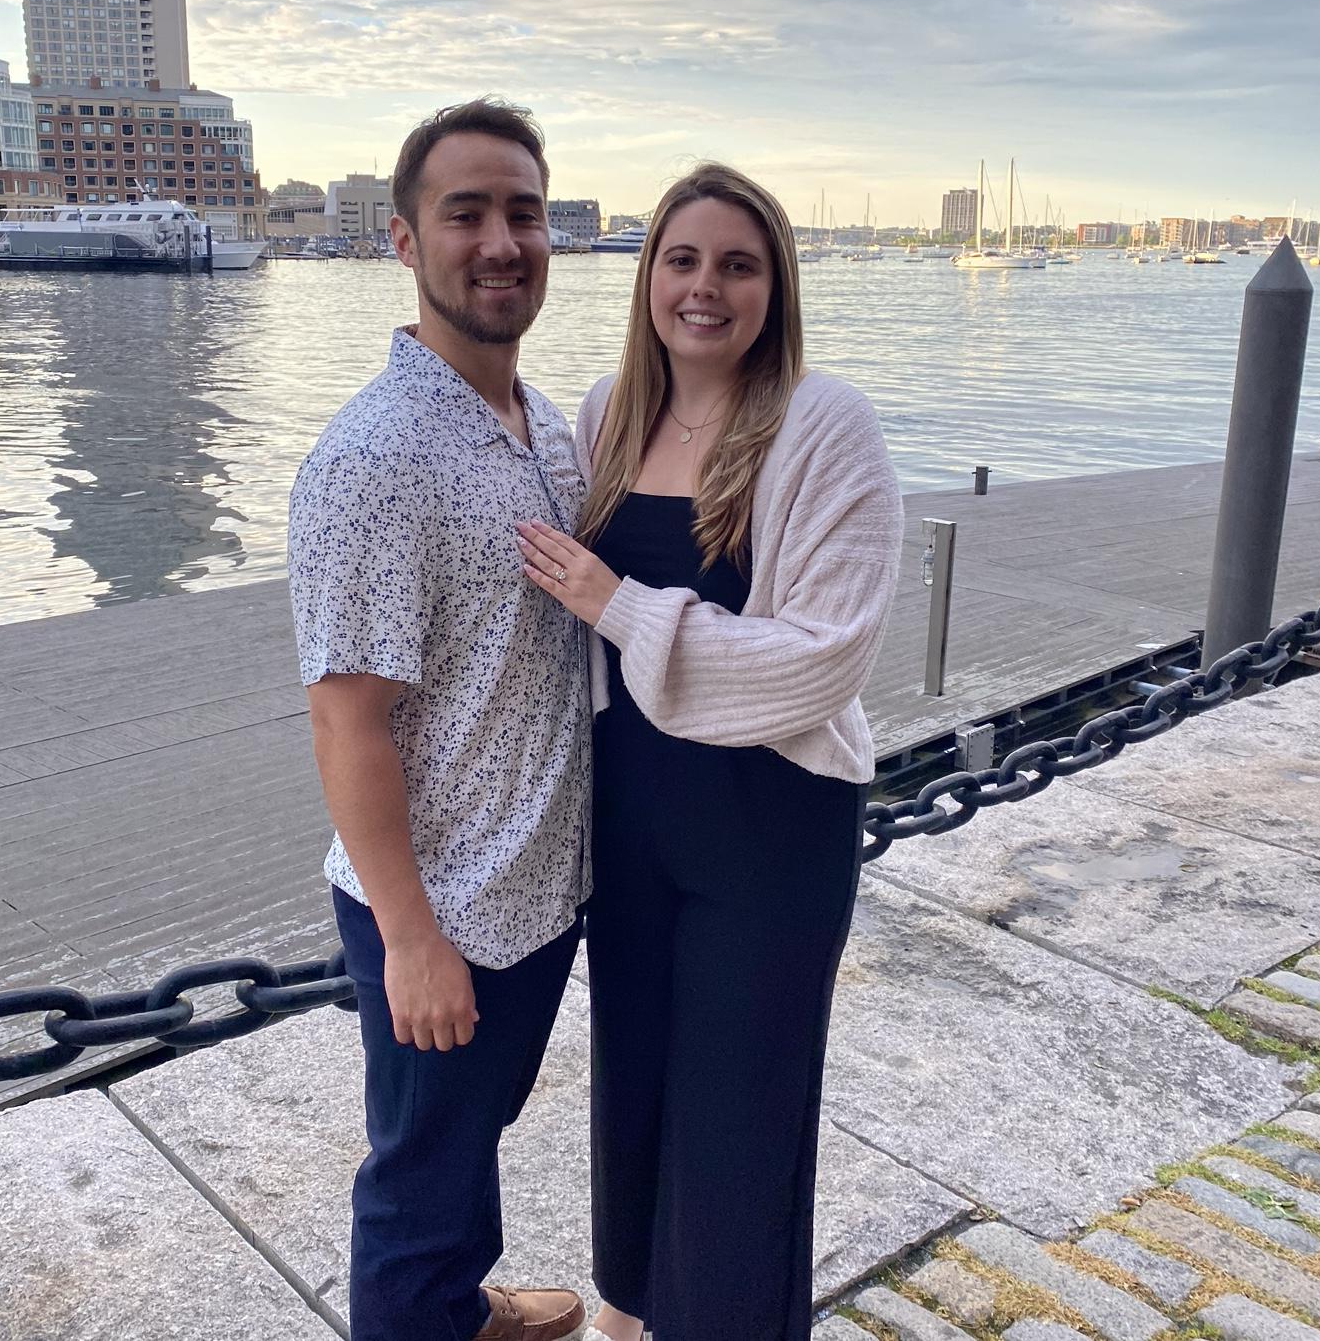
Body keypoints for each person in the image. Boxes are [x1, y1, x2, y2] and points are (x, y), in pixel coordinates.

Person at [516, 163, 903, 1341]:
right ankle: (631, 1312)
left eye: (738, 265)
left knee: (740, 1124)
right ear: (648, 278)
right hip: (632, 815)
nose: (705, 288)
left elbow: (823, 661)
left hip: (769, 824)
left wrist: (623, 605)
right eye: (682, 260)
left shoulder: (824, 426)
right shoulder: (606, 414)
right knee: (633, 1088)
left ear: (775, 289)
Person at [288, 98, 592, 1341]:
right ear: (406, 241)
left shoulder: (544, 427)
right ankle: (431, 1311)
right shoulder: (374, 460)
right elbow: (346, 723)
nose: (501, 242)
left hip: (533, 892)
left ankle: (463, 1313)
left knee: (467, 1149)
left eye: (524, 212)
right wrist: (412, 940)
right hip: (443, 909)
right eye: (466, 213)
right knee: (416, 1192)